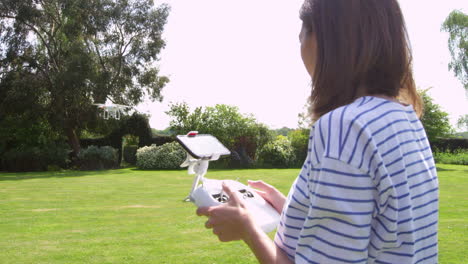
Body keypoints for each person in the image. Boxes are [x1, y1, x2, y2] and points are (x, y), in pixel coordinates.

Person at [196, 0, 439, 263]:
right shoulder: (405, 119)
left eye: (302, 34)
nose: (300, 47)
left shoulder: (345, 127)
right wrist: (291, 208)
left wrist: (248, 229)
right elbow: (378, 228)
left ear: (325, 40)